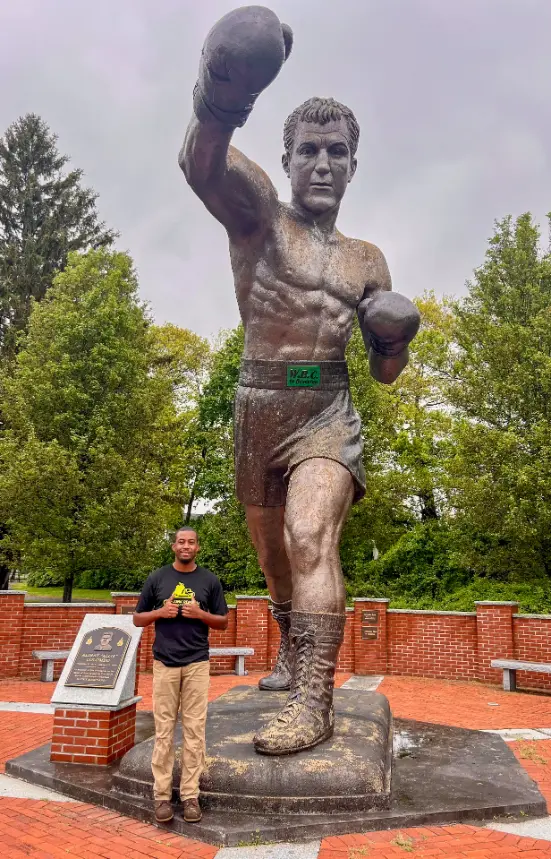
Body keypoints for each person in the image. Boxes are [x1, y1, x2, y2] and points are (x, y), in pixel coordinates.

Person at [179, 6, 420, 756]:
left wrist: (391, 341)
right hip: (259, 405)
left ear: (353, 165)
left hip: (327, 410)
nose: (322, 163)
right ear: (287, 160)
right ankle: (289, 642)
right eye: (309, 150)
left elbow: (384, 375)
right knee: (274, 558)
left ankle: (314, 698)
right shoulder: (260, 218)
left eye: (336, 152)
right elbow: (202, 165)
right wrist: (221, 95)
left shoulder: (368, 260)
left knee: (311, 535)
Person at [133, 526, 228, 824]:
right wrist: (159, 613)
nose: (186, 546)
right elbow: (137, 618)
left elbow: (223, 622)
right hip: (165, 664)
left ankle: (190, 796)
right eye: (181, 542)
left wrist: (200, 614)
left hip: (197, 664)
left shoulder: (209, 580)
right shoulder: (158, 578)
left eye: (191, 542)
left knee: (194, 731)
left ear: (197, 548)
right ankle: (162, 796)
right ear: (174, 546)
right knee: (163, 732)